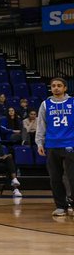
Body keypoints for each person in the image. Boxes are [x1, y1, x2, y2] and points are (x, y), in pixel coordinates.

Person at [36, 77, 74, 217]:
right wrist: (40, 143)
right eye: (53, 86)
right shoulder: (45, 104)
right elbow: (41, 125)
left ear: (65, 88)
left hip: (70, 143)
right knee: (55, 177)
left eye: (59, 85)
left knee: (72, 177)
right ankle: (60, 207)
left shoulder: (72, 102)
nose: (56, 88)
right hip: (52, 144)